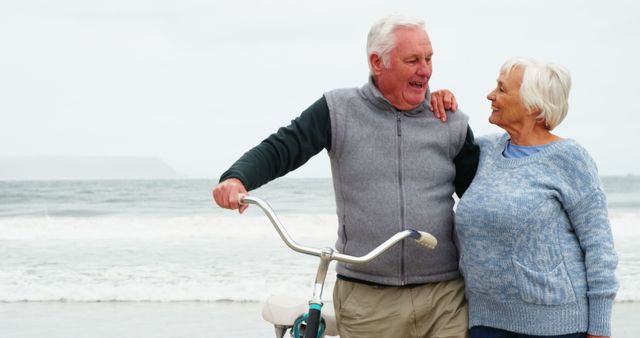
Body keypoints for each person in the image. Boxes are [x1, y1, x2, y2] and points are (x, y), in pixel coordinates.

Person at [213, 15, 480, 338]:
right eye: (412, 60)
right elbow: (282, 148)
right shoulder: (339, 110)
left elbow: (481, 196)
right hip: (368, 298)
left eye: (428, 58)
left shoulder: (447, 119)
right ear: (377, 63)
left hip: (443, 297)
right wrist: (237, 178)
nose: (425, 70)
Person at [454, 57, 618, 338]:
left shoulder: (569, 159)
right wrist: (443, 105)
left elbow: (599, 246)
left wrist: (600, 326)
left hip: (556, 326)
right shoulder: (484, 151)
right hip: (485, 321)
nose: (490, 95)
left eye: (502, 90)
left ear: (533, 105)